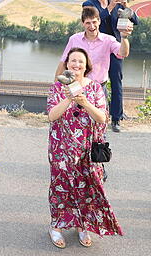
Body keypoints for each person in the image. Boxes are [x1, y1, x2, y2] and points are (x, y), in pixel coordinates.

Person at [47, 47, 123, 248]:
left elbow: (102, 117)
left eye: (80, 61)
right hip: (61, 148)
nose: (76, 65)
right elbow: (52, 116)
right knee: (61, 188)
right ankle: (57, 227)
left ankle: (82, 226)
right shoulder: (57, 88)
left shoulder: (95, 88)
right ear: (67, 65)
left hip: (88, 149)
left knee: (86, 189)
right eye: (72, 61)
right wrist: (69, 98)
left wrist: (84, 102)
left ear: (86, 65)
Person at [55, 6, 131, 132]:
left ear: (99, 21)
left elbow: (123, 53)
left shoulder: (109, 40)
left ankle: (98, 150)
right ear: (83, 23)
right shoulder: (74, 39)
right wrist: (56, 85)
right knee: (75, 125)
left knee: (99, 125)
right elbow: (64, 61)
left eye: (94, 22)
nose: (92, 26)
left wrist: (124, 37)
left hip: (99, 88)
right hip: (76, 86)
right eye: (88, 23)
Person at [81, 0, 139, 132]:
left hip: (114, 47)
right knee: (92, 81)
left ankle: (116, 118)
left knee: (116, 81)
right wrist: (111, 7)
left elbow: (136, 21)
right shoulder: (88, 4)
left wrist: (126, 7)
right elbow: (96, 19)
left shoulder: (117, 1)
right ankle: (92, 113)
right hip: (96, 48)